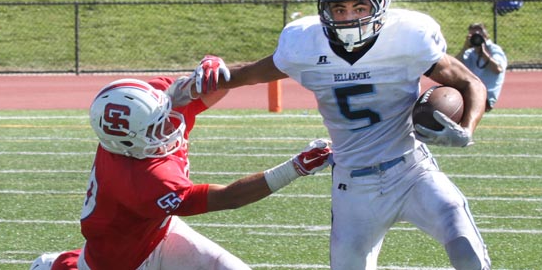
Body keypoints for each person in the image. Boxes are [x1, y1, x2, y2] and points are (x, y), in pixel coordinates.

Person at [202, 0, 492, 269]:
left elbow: (471, 83)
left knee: (467, 249)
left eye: (359, 6)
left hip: (412, 171)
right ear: (323, 8)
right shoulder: (304, 45)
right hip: (354, 187)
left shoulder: (408, 37)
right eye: (339, 8)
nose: (349, 17)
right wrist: (218, 72)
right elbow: (251, 74)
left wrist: (466, 129)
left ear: (380, 4)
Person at [29, 57, 333, 270]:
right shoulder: (148, 179)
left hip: (155, 232)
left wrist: (210, 69)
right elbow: (227, 198)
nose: (169, 125)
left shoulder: (150, 107)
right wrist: (295, 167)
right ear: (131, 144)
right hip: (123, 263)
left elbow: (209, 88)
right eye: (157, 127)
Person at [456, 23, 507, 112]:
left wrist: (483, 53)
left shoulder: (494, 49)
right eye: (473, 35)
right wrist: (465, 47)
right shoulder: (469, 53)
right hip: (470, 94)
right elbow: (454, 67)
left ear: (486, 35)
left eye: (479, 35)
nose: (476, 38)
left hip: (486, 98)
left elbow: (498, 69)